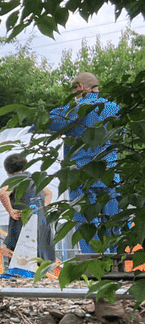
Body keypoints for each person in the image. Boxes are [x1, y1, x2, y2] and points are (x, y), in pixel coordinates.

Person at [47, 71, 121, 253]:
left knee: (86, 220)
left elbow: (47, 123)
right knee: (113, 219)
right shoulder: (115, 108)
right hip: (111, 171)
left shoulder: (77, 109)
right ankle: (117, 260)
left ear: (80, 87)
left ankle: (93, 261)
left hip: (81, 174)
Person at [0, 153, 55, 265]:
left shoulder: (15, 180)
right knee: (41, 250)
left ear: (7, 169)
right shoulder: (35, 179)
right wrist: (43, 208)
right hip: (42, 221)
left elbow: (3, 193)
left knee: (21, 252)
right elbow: (49, 193)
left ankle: (22, 274)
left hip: (23, 221)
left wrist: (11, 211)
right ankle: (43, 273)